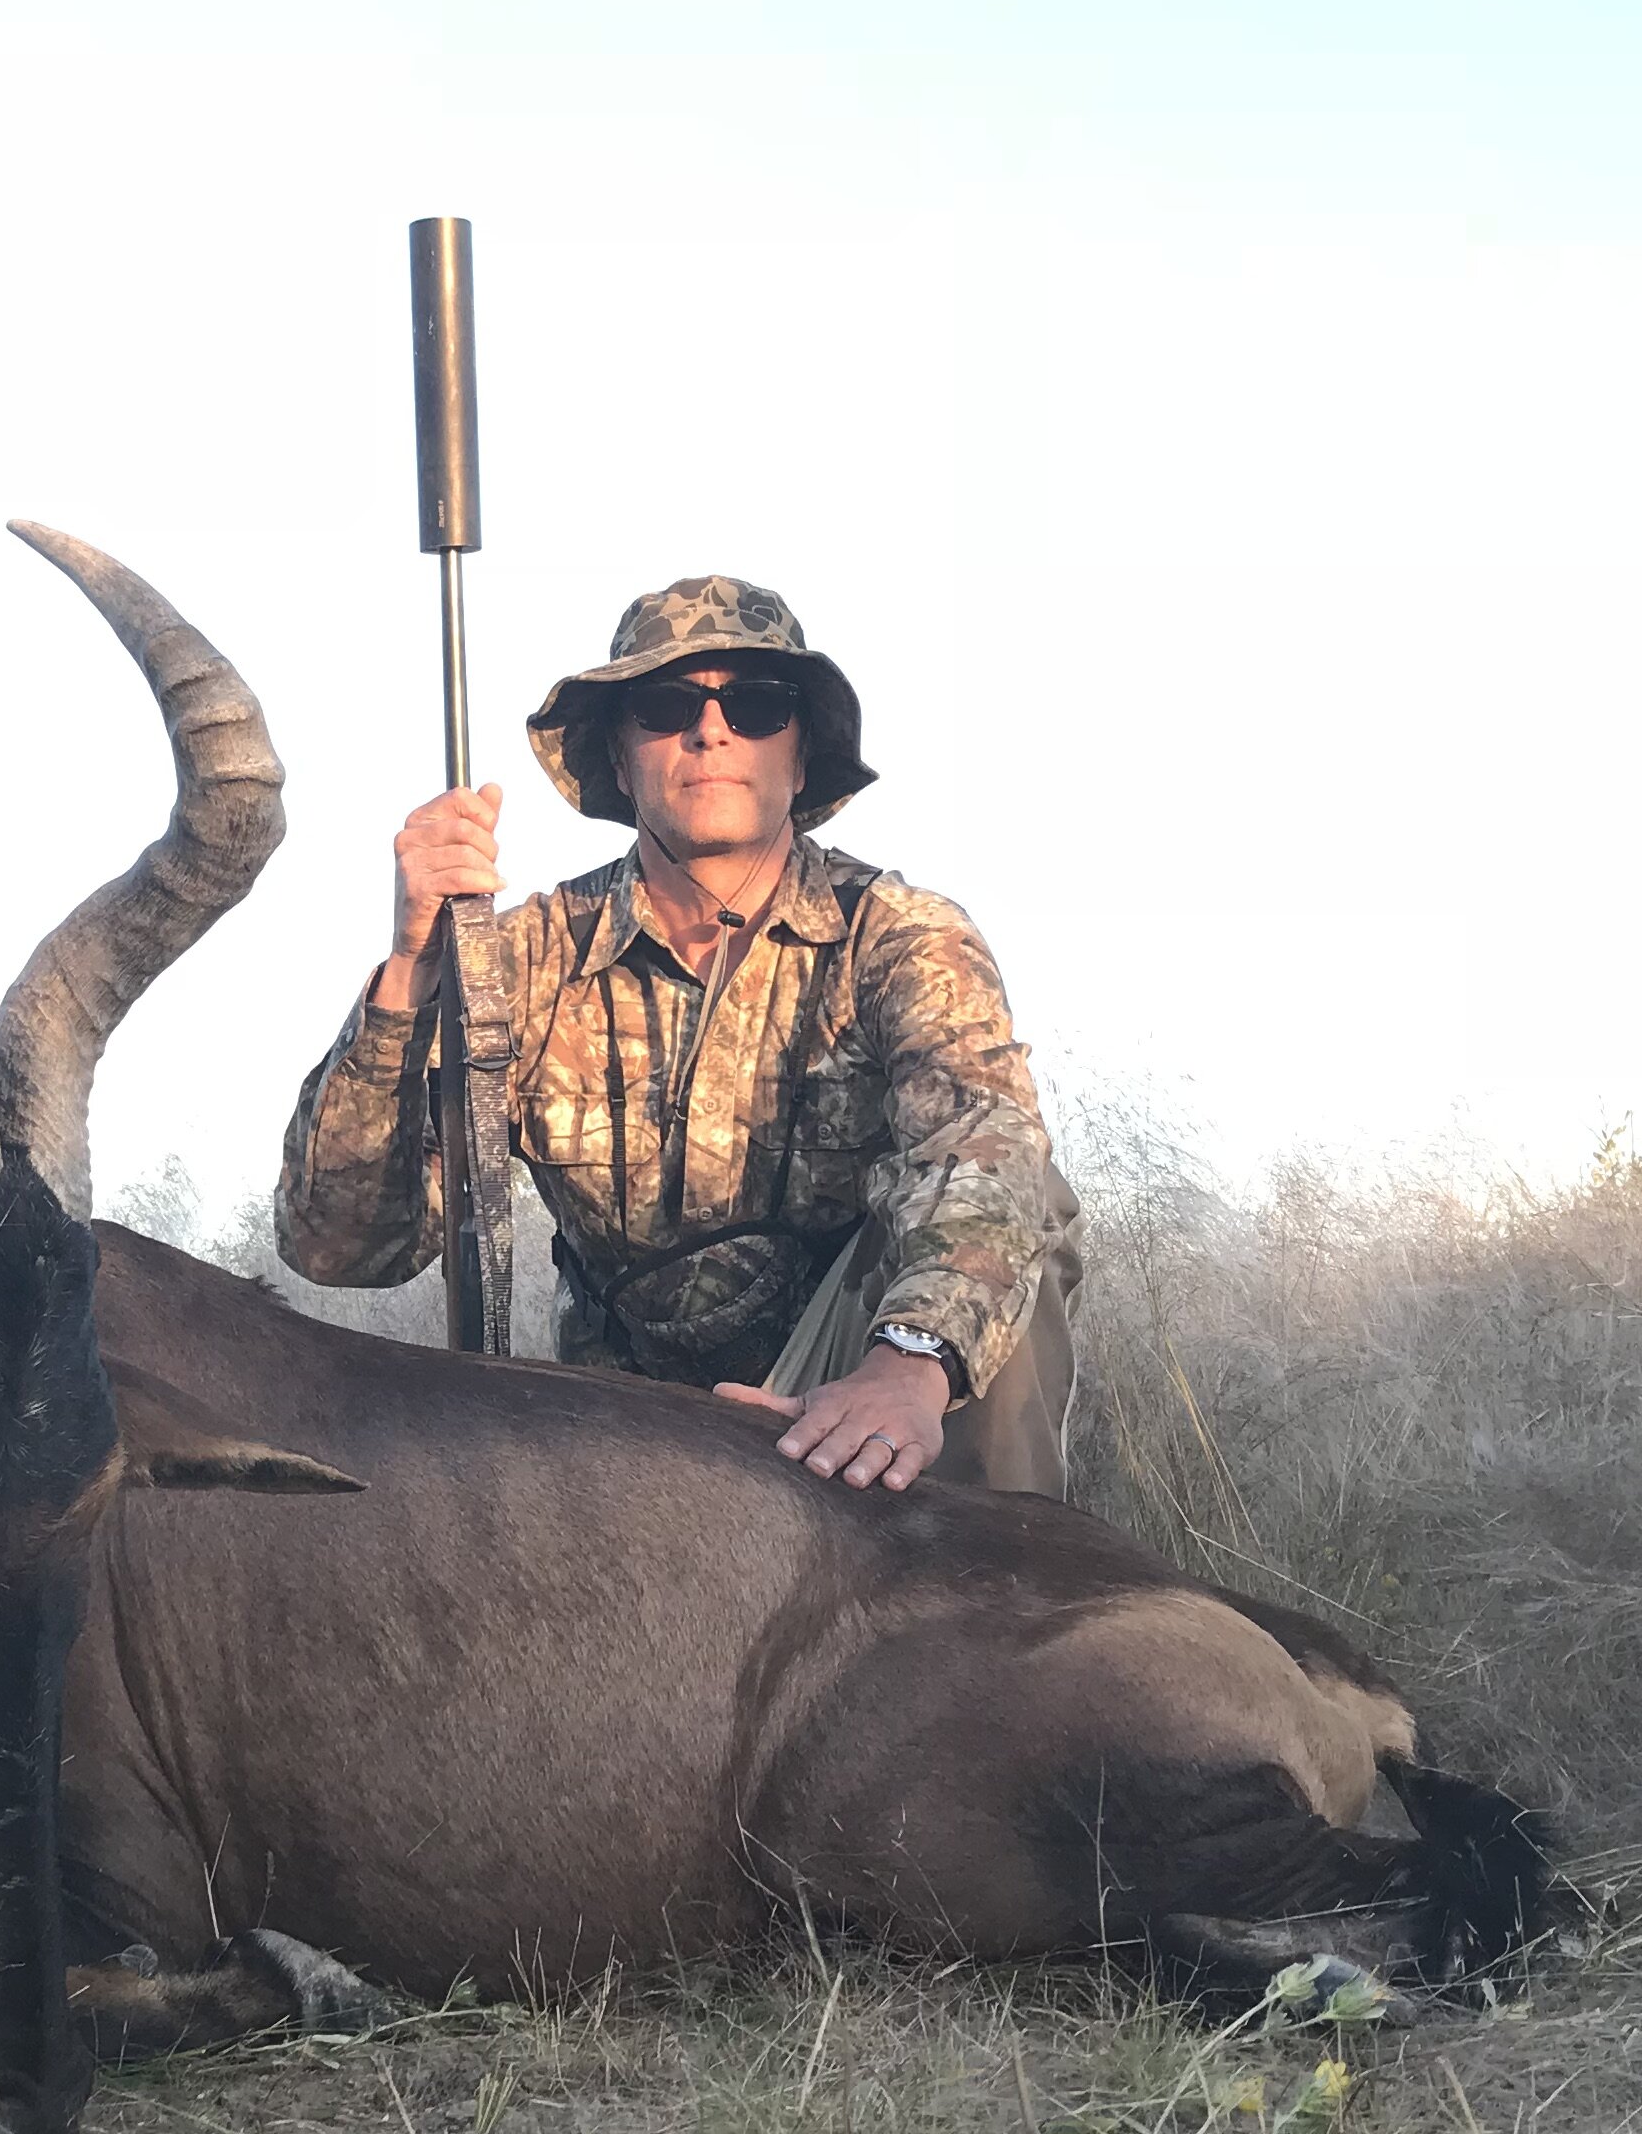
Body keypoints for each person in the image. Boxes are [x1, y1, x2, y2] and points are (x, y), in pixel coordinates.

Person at [276, 575, 1084, 1494]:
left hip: (853, 1392)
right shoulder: (516, 958)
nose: (711, 731)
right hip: (621, 1436)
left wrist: (908, 1366)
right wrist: (414, 965)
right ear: (620, 760)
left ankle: (999, 1598)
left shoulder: (899, 935)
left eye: (756, 704)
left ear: (803, 749)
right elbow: (338, 1245)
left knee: (1030, 1206)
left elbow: (981, 1143)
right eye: (666, 706)